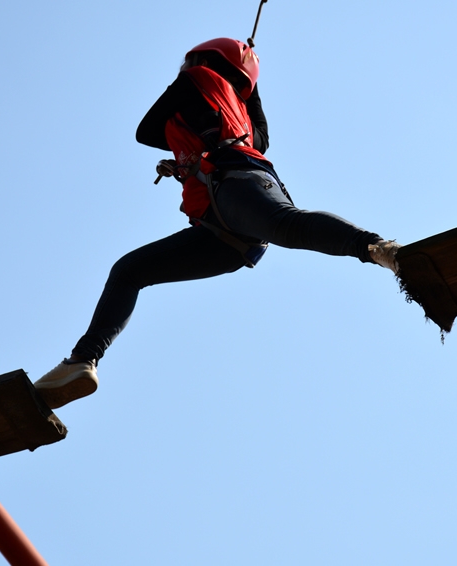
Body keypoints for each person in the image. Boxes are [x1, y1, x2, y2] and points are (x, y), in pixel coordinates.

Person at [34, 38, 400, 410]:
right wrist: (247, 89)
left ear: (206, 60)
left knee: (287, 225)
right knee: (130, 271)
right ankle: (82, 361)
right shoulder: (236, 111)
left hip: (236, 190)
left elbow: (145, 131)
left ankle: (379, 248)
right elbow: (263, 138)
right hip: (225, 222)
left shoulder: (196, 78)